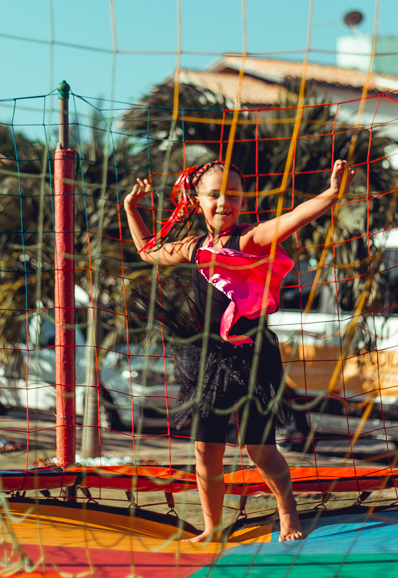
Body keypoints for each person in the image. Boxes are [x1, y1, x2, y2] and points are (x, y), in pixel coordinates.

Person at [124, 158, 354, 543]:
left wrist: (331, 194)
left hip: (253, 357)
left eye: (233, 195)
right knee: (205, 449)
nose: (224, 202)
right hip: (208, 360)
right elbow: (149, 251)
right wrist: (131, 208)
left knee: (259, 449)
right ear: (197, 201)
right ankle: (212, 527)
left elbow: (292, 219)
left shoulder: (247, 240)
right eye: (214, 195)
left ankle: (288, 512)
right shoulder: (194, 247)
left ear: (243, 202)